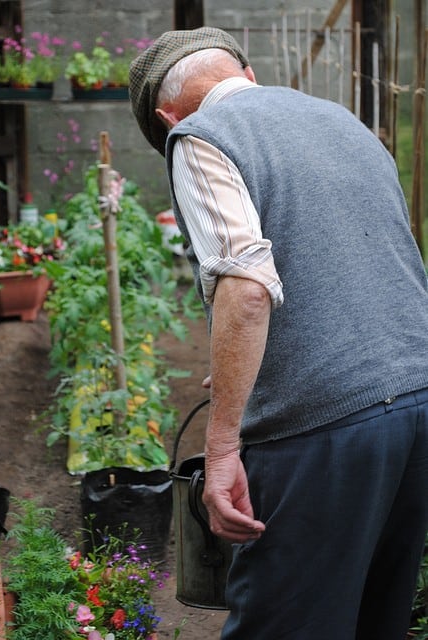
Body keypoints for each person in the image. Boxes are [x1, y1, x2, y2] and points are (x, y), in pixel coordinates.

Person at [128, 26, 428, 640]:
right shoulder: (342, 121)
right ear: (247, 77)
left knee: (287, 623)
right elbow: (357, 269)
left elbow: (245, 289)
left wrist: (220, 451)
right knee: (377, 618)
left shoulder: (198, 137)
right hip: (418, 403)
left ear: (165, 116)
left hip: (324, 430)